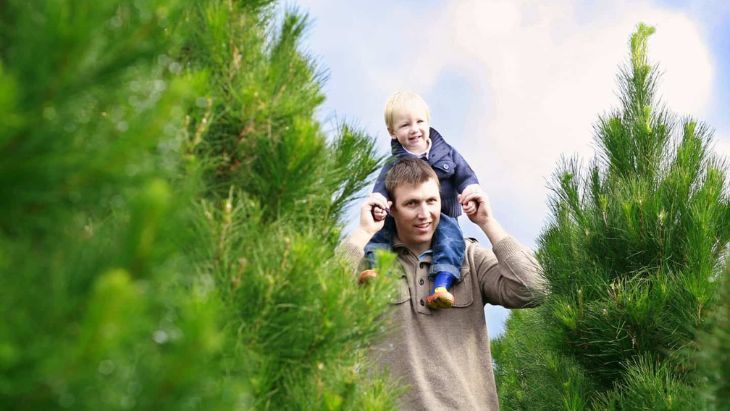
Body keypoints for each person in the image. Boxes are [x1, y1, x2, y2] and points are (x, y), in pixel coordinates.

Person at [339, 157, 547, 410]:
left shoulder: (471, 258)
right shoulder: (369, 266)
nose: (424, 214)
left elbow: (534, 290)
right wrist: (362, 233)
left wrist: (487, 223)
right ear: (392, 209)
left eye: (431, 201)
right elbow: (319, 300)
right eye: (412, 204)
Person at [365, 91, 481, 309]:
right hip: (401, 215)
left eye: (419, 121)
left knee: (451, 242)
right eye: (405, 125)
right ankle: (377, 270)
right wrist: (380, 202)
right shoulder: (394, 162)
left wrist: (470, 191)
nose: (414, 129)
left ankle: (441, 286)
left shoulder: (446, 152)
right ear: (392, 132)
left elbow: (465, 174)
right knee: (380, 235)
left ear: (428, 122)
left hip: (443, 212)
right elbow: (381, 186)